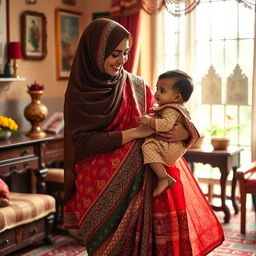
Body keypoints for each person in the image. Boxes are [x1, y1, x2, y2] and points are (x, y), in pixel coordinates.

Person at [64, 18, 224, 255]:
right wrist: (135, 133)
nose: (122, 61)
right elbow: (82, 142)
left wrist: (183, 131)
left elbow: (165, 118)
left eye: (126, 53)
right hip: (98, 183)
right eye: (115, 54)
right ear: (95, 53)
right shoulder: (79, 95)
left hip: (146, 181)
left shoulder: (137, 85)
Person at [138, 70, 198, 197]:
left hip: (170, 147)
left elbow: (166, 125)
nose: (157, 93)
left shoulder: (171, 109)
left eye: (162, 91)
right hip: (175, 147)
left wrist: (149, 121)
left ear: (176, 97)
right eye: (157, 88)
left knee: (148, 147)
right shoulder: (177, 107)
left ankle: (163, 178)